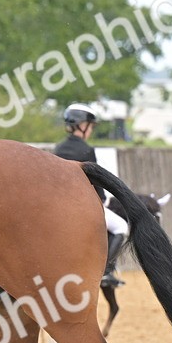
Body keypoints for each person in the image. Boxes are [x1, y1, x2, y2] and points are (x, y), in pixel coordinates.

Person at [52, 103, 129, 286]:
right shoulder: (86, 149)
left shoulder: (59, 148)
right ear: (83, 124)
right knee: (121, 227)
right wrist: (102, 199)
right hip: (81, 205)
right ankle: (106, 272)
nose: (91, 130)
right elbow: (95, 180)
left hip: (57, 204)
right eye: (91, 126)